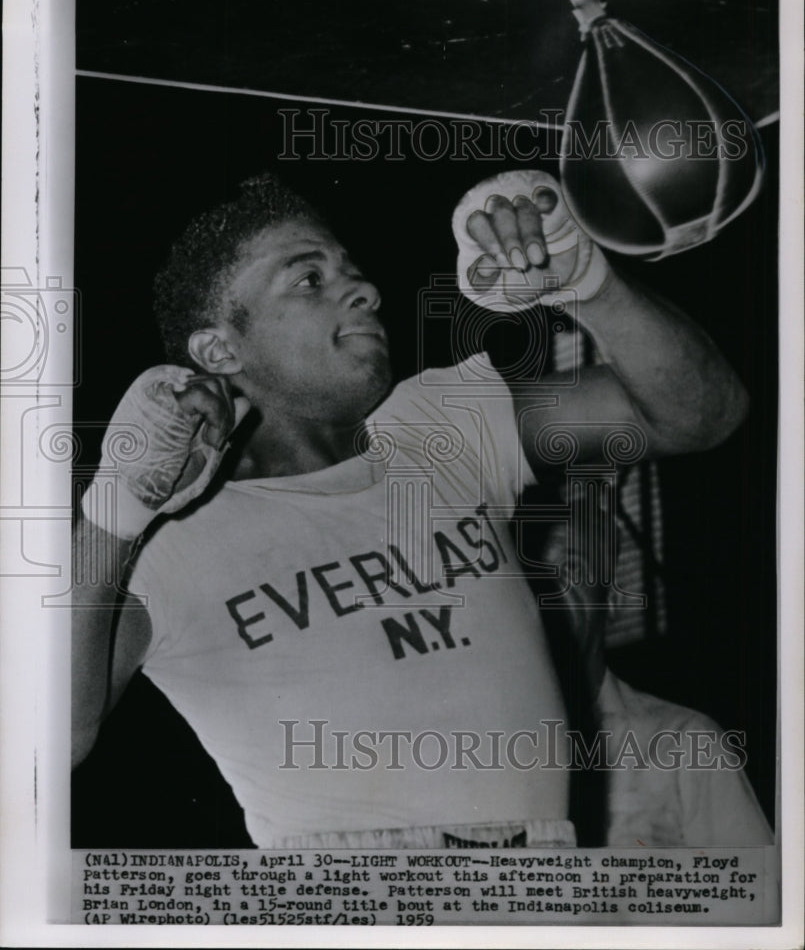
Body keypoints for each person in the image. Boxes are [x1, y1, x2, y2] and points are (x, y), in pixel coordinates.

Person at [72, 168, 771, 849]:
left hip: (539, 884)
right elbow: (50, 743)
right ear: (220, 347)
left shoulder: (444, 419)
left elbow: (703, 417)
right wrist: (116, 507)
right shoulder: (165, 536)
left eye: (351, 270)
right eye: (309, 278)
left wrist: (591, 288)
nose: (365, 291)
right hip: (349, 902)